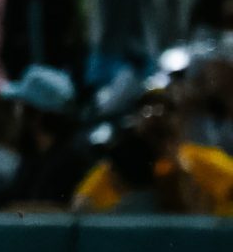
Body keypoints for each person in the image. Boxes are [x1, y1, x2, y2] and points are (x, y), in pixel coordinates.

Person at [71, 89, 233, 215]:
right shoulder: (118, 167)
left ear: (180, 120)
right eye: (146, 109)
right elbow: (81, 205)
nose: (157, 115)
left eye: (167, 109)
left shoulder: (204, 159)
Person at [0, 67, 92, 210]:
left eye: (21, 107)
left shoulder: (74, 158)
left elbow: (70, 212)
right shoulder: (31, 156)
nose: (15, 115)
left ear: (35, 115)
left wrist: (15, 210)